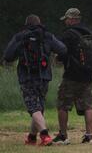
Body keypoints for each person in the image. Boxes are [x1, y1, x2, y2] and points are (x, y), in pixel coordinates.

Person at [3, 15, 67, 146]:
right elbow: (63, 49)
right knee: (39, 107)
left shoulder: (20, 37)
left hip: (26, 77)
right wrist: (54, 56)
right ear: (40, 23)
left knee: (33, 108)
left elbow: (8, 56)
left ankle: (44, 135)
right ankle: (32, 137)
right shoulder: (47, 36)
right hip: (43, 77)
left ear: (26, 24)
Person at [53, 8, 92, 145]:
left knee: (63, 105)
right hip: (88, 75)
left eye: (67, 19)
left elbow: (61, 52)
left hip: (72, 75)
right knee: (88, 106)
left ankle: (63, 135)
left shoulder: (68, 34)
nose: (66, 21)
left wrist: (58, 58)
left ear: (72, 19)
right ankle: (89, 136)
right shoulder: (88, 32)